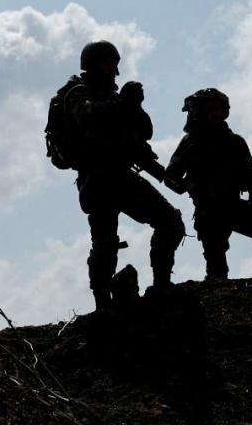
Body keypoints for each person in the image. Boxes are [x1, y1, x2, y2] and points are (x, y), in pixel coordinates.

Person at [60, 40, 184, 311]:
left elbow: (141, 136)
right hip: (97, 180)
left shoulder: (116, 98)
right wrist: (124, 106)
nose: (112, 69)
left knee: (171, 223)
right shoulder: (78, 93)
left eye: (113, 63)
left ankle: (161, 284)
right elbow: (87, 116)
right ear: (92, 65)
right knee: (105, 243)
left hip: (121, 175)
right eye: (106, 63)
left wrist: (134, 106)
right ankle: (103, 303)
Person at [167, 88, 252, 279]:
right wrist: (186, 186)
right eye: (209, 110)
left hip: (234, 206)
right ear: (200, 113)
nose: (214, 114)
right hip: (208, 212)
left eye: (217, 109)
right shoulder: (191, 142)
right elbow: (170, 176)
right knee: (217, 269)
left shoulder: (234, 142)